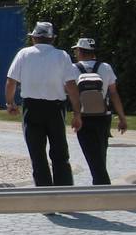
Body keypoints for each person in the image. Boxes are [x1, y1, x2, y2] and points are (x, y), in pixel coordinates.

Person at [5, 22, 82, 187]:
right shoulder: (62, 56)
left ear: (34, 38)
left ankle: (44, 191)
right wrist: (77, 113)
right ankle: (64, 189)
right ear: (52, 38)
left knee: (37, 153)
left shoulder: (24, 54)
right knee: (60, 152)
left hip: (32, 107)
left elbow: (11, 81)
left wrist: (10, 103)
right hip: (55, 108)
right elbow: (71, 86)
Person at [71, 38, 127, 185]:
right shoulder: (106, 67)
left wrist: (76, 115)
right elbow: (113, 93)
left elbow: (71, 93)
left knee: (91, 155)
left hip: (83, 116)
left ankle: (102, 186)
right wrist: (122, 118)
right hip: (103, 116)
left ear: (80, 51)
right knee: (101, 154)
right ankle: (101, 184)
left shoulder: (72, 69)